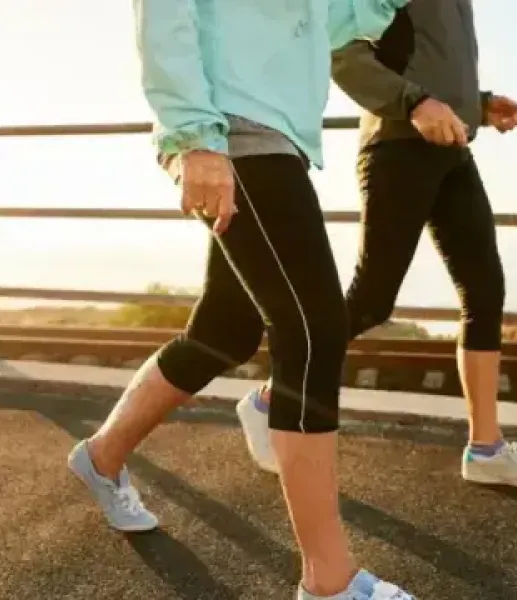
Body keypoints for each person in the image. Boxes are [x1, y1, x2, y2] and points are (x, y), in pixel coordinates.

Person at [68, 1, 420, 598]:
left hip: (277, 135)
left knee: (225, 330)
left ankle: (101, 456)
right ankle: (329, 583)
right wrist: (194, 136)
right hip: (229, 127)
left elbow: (336, 22)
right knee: (312, 326)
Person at [235, 0, 517, 491]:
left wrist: (478, 102)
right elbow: (340, 52)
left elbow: (424, 57)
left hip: (450, 149)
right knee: (372, 299)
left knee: (485, 290)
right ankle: (271, 398)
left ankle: (486, 448)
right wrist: (413, 103)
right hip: (398, 147)